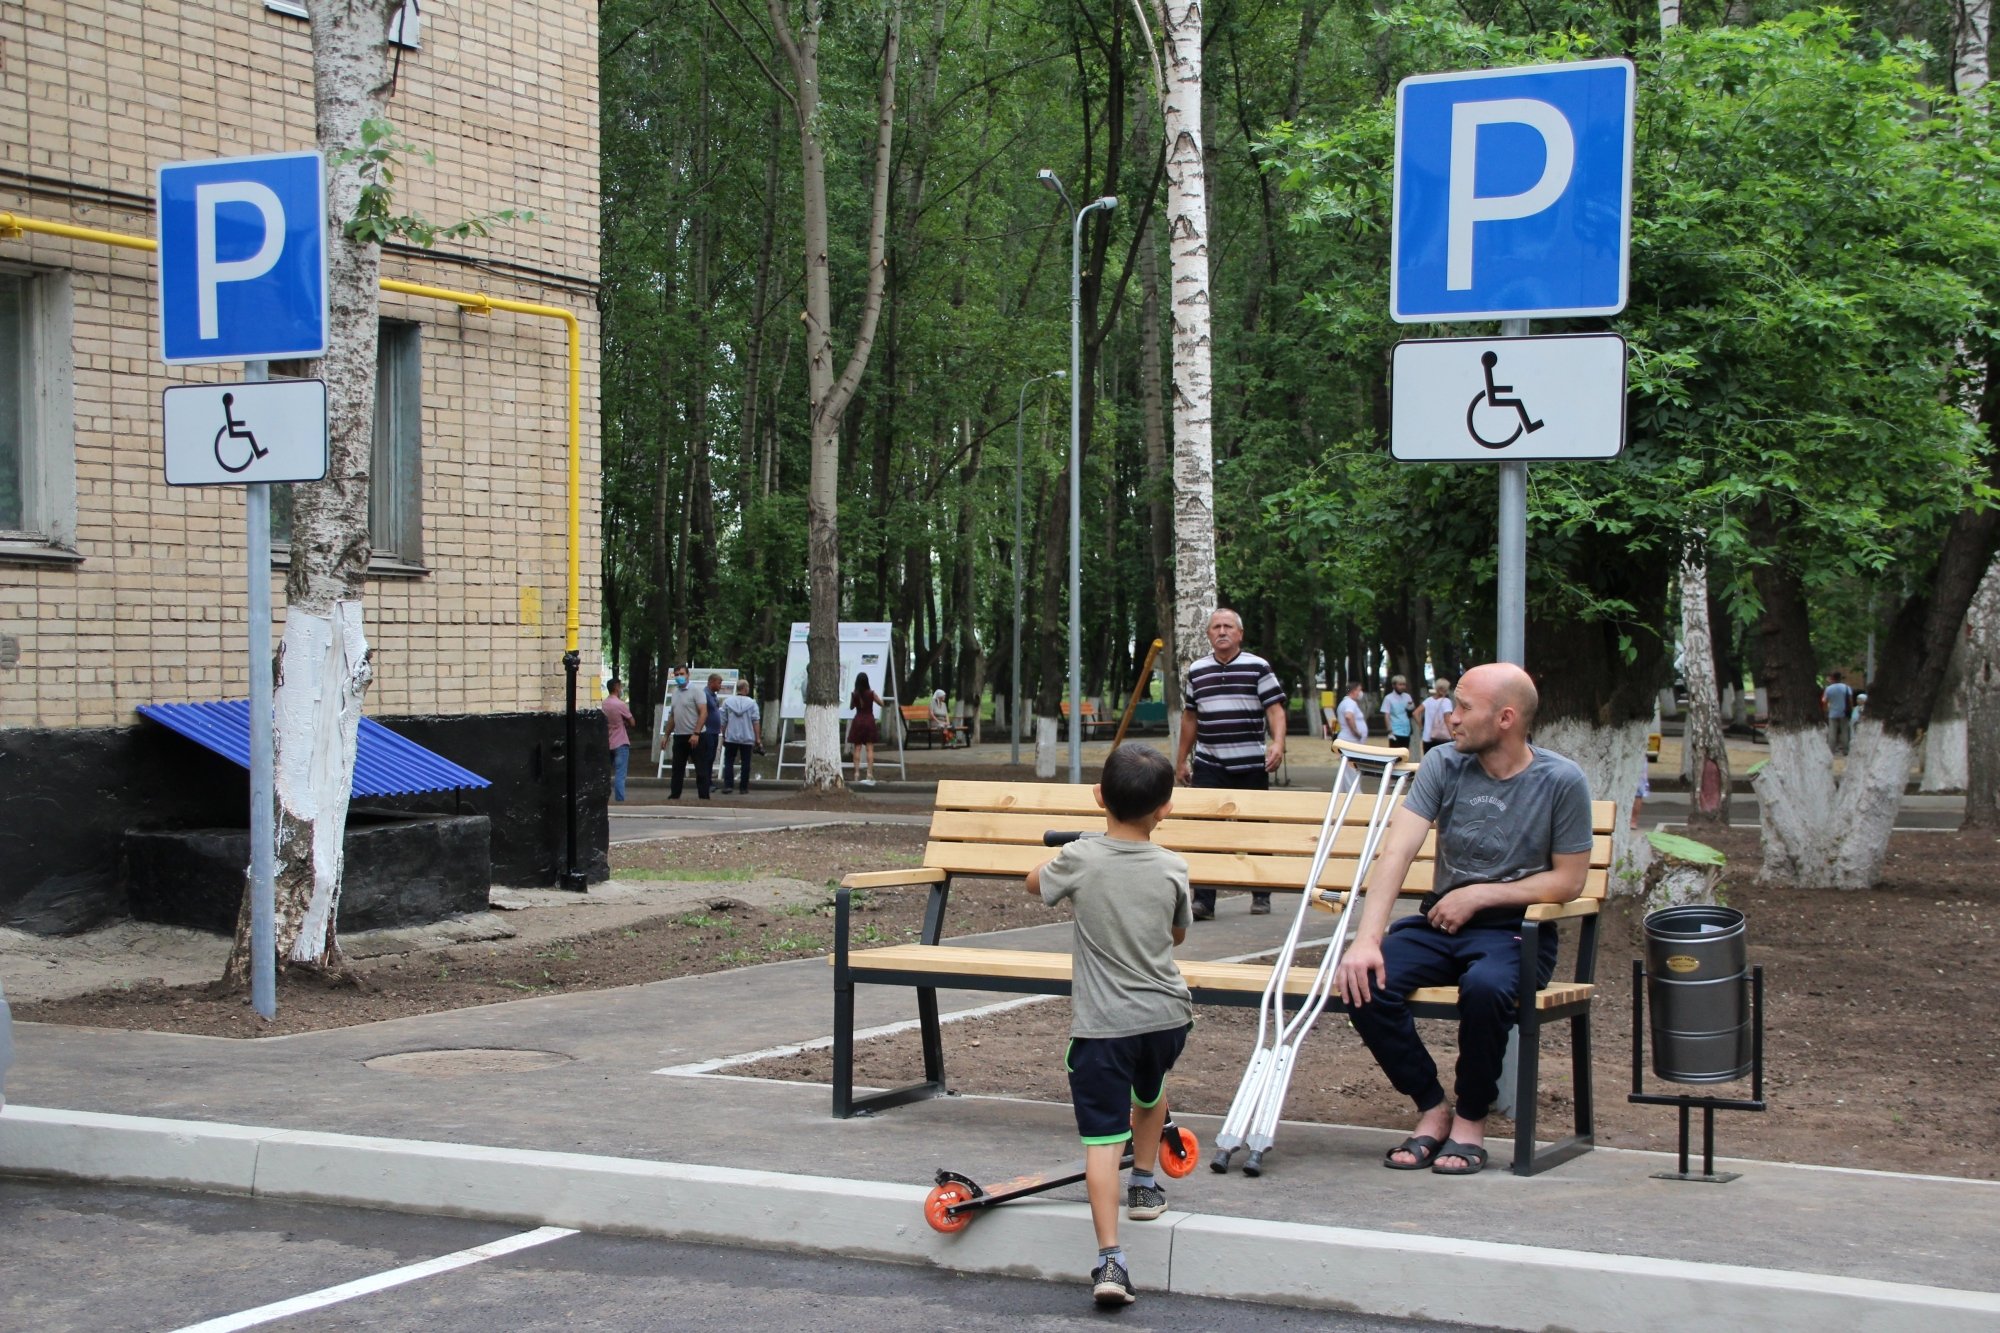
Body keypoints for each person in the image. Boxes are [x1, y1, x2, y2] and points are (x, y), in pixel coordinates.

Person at [1333, 663, 1593, 1177]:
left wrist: (1480, 895)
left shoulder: (1560, 780)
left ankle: (1471, 1119)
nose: (1450, 718)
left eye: (1463, 708)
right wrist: (1367, 939)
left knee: (1486, 988)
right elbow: (1397, 852)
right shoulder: (1443, 765)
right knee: (1362, 978)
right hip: (1441, 925)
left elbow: (1569, 881)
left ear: (1505, 718)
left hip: (1516, 931)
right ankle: (1432, 1107)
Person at [1025, 744, 1192, 1308]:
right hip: (1167, 1018)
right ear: (1165, 808)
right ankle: (1144, 1185)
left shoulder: (1079, 859)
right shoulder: (1173, 866)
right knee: (1151, 1092)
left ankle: (1111, 1262)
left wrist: (1068, 855)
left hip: (1103, 1028)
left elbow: (1034, 884)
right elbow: (1177, 936)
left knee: (1101, 1140)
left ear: (1099, 797)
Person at [1173, 607, 1287, 919]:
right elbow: (1190, 717)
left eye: (1228, 627)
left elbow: (1275, 709)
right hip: (1209, 763)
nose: (1222, 632)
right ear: (1208, 634)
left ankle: (1261, 895)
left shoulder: (1258, 667)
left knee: (1255, 831)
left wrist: (1278, 743)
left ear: (1239, 634)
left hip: (1251, 763)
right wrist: (1181, 760)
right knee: (1205, 835)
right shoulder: (1197, 670)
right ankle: (1203, 902)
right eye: (1215, 627)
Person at [666, 667, 709, 800]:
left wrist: (696, 733)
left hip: (697, 736)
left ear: (688, 675)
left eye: (682, 674)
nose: (679, 676)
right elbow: (673, 716)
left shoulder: (696, 691)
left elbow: (703, 712)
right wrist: (666, 735)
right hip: (679, 736)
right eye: (677, 674)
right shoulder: (675, 693)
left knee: (701, 769)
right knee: (677, 769)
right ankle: (674, 796)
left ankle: (703, 797)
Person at [719, 678, 762, 795]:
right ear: (745, 689)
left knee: (729, 761)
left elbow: (723, 721)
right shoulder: (752, 704)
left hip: (731, 737)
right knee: (746, 763)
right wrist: (758, 738)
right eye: (747, 688)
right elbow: (756, 721)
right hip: (747, 737)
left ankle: (728, 785)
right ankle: (743, 787)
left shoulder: (728, 702)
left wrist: (724, 735)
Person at [603, 678, 636, 803]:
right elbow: (632, 722)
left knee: (606, 772)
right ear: (616, 688)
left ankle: (604, 797)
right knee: (620, 773)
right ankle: (620, 800)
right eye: (620, 687)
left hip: (608, 741)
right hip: (621, 742)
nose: (621, 689)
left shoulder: (604, 704)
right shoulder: (620, 704)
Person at [848, 672, 884, 784]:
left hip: (858, 721)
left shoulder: (854, 694)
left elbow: (851, 707)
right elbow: (881, 703)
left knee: (857, 748)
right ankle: (869, 773)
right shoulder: (871, 693)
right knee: (869, 748)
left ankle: (857, 773)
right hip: (869, 720)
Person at [698, 673, 726, 795]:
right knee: (707, 758)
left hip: (714, 732)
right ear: (712, 682)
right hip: (707, 731)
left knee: (711, 758)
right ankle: (705, 783)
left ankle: (709, 782)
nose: (720, 686)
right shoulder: (704, 694)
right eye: (719, 683)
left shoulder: (713, 696)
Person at [1419, 677, 1454, 762]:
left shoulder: (1428, 700)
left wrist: (1421, 727)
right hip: (1442, 738)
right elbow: (1447, 720)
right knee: (1442, 764)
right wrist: (1453, 736)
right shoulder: (1446, 701)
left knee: (1429, 763)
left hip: (1427, 737)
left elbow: (1415, 713)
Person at [1822, 670, 1856, 756]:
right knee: (1844, 731)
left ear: (1832, 678)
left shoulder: (1828, 689)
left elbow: (1824, 701)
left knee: (1832, 732)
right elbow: (1850, 700)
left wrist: (1825, 710)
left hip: (1832, 713)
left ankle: (1832, 750)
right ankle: (1845, 750)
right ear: (1840, 678)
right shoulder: (1846, 687)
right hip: (1844, 713)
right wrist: (1851, 711)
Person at [1382, 675, 1415, 752]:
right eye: (1400, 684)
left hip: (1406, 730)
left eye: (1404, 684)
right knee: (1395, 754)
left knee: (1404, 754)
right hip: (1395, 731)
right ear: (1394, 685)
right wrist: (1389, 730)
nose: (1402, 687)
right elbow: (1386, 715)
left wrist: (1411, 707)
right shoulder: (1388, 698)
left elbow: (1411, 712)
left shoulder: (1407, 697)